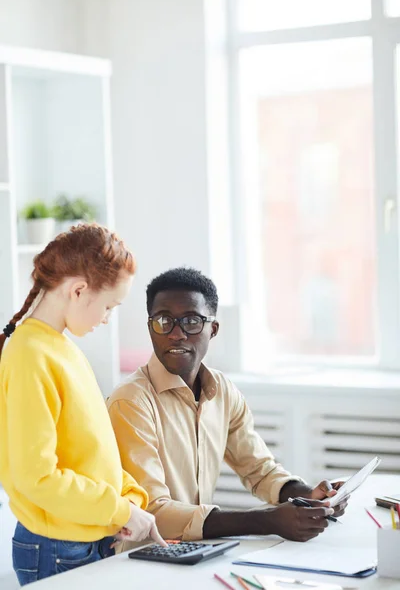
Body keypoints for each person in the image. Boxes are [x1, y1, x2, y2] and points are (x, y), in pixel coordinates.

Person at [108, 267, 347, 545]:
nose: (176, 334)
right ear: (151, 327)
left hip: (198, 551)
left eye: (191, 321)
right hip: (143, 560)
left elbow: (259, 469)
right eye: (164, 321)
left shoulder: (222, 391)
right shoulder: (131, 402)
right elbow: (152, 511)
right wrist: (267, 520)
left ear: (213, 329)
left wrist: (309, 497)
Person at [0, 223, 165, 587]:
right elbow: (37, 477)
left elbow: (89, 453)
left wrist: (129, 502)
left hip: (84, 540)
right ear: (78, 290)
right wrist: (119, 509)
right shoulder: (30, 355)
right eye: (109, 306)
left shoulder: (62, 349)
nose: (107, 318)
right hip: (57, 548)